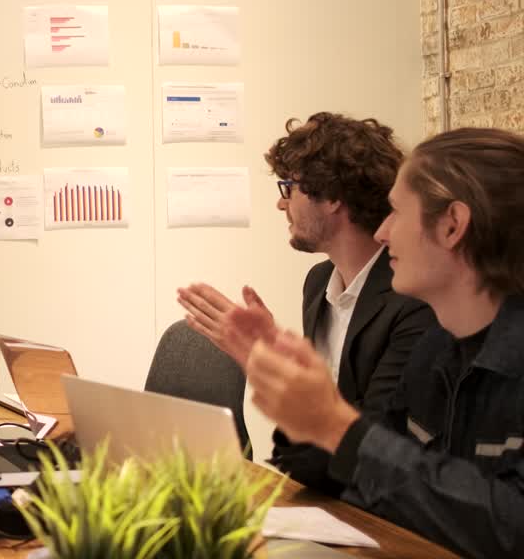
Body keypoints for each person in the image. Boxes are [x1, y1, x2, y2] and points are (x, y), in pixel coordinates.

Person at [243, 127, 524, 558]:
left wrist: (335, 425)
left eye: (396, 212)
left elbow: (509, 528)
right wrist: (302, 411)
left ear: (452, 225)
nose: (382, 232)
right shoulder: (436, 349)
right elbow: (377, 475)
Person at [176, 113, 434, 494]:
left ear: (331, 197)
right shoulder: (318, 285)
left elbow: (373, 446)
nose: (282, 204)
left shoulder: (411, 301)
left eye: (289, 188)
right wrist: (278, 369)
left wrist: (280, 372)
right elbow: (310, 449)